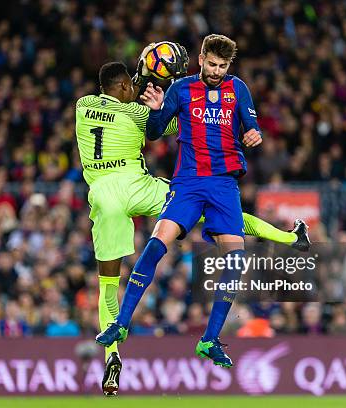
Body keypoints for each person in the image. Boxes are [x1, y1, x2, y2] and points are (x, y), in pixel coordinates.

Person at [77, 45, 309, 394]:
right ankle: (290, 238)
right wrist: (164, 90)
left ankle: (113, 353)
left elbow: (123, 102)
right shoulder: (137, 115)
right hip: (139, 187)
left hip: (102, 195)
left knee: (107, 285)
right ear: (124, 88)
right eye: (130, 85)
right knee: (212, 216)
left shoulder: (84, 106)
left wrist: (145, 84)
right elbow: (177, 119)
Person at [96, 34, 275, 369]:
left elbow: (252, 126)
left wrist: (254, 134)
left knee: (235, 261)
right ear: (202, 58)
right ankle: (120, 324)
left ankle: (209, 339)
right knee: (155, 245)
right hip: (189, 182)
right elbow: (154, 131)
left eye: (222, 66)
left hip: (224, 185)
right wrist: (155, 109)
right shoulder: (180, 89)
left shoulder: (238, 89)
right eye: (211, 64)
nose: (216, 71)